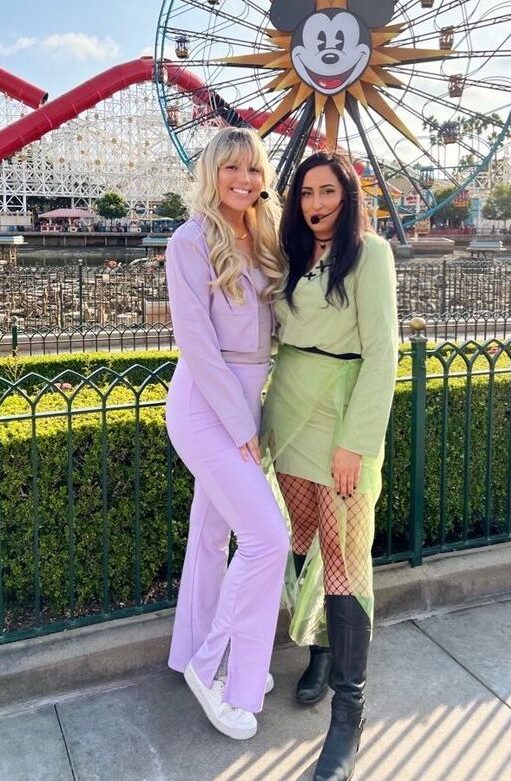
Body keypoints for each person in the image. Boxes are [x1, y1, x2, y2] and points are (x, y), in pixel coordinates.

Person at [262, 152, 398, 780]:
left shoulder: (369, 255)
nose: (316, 204)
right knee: (298, 538)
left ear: (350, 195)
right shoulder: (291, 252)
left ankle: (349, 714)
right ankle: (315, 646)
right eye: (306, 193)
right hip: (288, 408)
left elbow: (383, 355)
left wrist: (357, 443)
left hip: (340, 415)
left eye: (328, 192)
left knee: (346, 555)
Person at [165, 127, 289, 741]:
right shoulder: (190, 241)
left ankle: (194, 648)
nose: (244, 179)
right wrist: (242, 426)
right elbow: (197, 342)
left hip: (248, 400)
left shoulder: (264, 235)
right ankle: (214, 667)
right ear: (212, 172)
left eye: (254, 169)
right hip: (205, 405)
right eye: (231, 168)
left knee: (211, 535)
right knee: (268, 537)